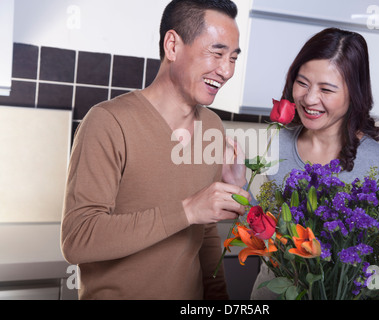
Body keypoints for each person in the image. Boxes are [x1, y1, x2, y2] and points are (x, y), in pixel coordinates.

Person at [61, 0, 250, 300]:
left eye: (233, 58)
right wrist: (187, 210)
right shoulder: (108, 122)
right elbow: (78, 238)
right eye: (217, 53)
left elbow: (206, 233)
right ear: (173, 45)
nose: (226, 71)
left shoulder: (212, 127)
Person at [250, 27, 379, 299]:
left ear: (353, 93)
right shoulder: (277, 143)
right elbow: (267, 235)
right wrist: (238, 186)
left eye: (326, 89)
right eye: (303, 83)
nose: (309, 99)